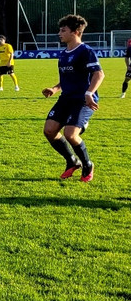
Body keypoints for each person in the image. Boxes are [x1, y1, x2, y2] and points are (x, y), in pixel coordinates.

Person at [42, 14, 104, 182]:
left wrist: (89, 93)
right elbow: (65, 79)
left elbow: (99, 74)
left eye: (63, 30)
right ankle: (72, 161)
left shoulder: (85, 51)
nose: (59, 33)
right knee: (49, 131)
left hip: (83, 100)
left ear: (76, 32)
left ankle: (87, 164)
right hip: (66, 98)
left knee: (70, 134)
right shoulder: (63, 54)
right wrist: (54, 89)